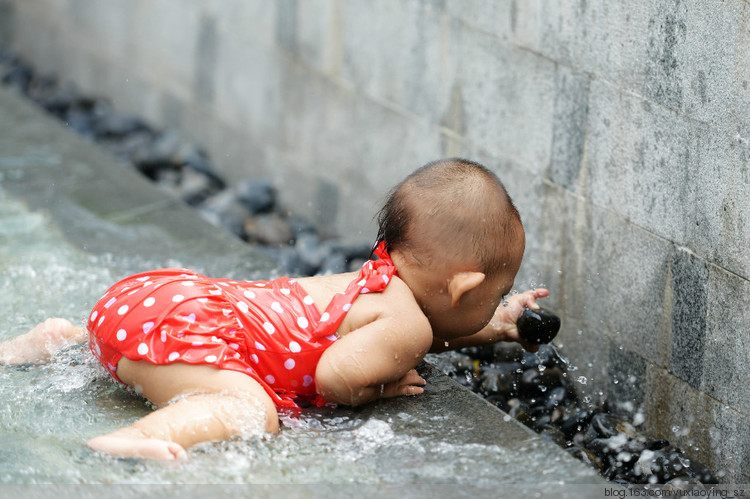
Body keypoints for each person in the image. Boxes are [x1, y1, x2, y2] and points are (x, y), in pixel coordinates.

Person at [0, 158, 549, 460]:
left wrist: (494, 327)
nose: (497, 305)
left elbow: (429, 332)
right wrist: (380, 386)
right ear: (462, 288)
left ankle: (60, 339)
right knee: (252, 413)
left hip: (152, 301)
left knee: (141, 345)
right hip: (190, 328)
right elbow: (336, 378)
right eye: (496, 297)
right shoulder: (404, 326)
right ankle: (144, 437)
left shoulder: (377, 282)